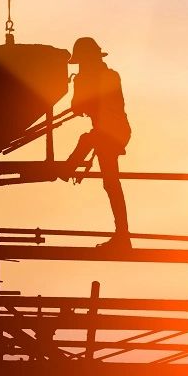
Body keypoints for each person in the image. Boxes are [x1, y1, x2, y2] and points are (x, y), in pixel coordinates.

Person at [60, 37, 132, 249]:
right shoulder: (96, 77)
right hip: (105, 132)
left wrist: (82, 84)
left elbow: (87, 105)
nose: (82, 66)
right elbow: (79, 107)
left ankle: (66, 170)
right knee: (110, 183)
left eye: (83, 62)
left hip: (113, 132)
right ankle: (122, 235)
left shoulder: (108, 77)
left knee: (89, 143)